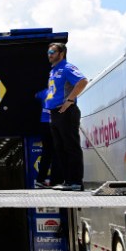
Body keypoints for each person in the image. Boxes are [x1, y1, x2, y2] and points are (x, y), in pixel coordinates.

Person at [44, 42, 88, 191]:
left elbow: (82, 81)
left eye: (52, 52)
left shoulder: (67, 67)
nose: (49, 54)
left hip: (67, 112)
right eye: (48, 52)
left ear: (61, 53)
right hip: (55, 113)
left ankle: (76, 182)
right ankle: (68, 181)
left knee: (71, 146)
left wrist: (69, 100)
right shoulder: (53, 70)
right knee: (60, 148)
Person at [33, 88, 58, 188]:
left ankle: (40, 179)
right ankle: (55, 180)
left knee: (46, 152)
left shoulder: (44, 92)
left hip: (43, 124)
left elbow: (36, 95)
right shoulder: (60, 92)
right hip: (54, 124)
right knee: (57, 152)